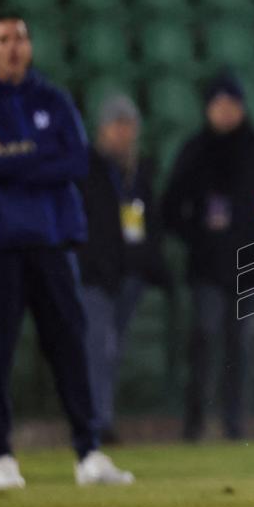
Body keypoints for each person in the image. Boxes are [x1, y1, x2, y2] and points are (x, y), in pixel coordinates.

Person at [0, 14, 133, 488]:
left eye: (21, 37)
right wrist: (39, 154)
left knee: (70, 347)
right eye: (3, 39)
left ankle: (89, 453)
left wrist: (9, 155)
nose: (14, 46)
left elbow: (75, 159)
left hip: (52, 241)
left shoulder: (52, 98)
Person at [162, 72, 254, 442]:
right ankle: (194, 424)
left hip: (251, 268)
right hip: (206, 269)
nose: (226, 112)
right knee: (204, 342)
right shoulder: (195, 150)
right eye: (219, 104)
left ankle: (234, 425)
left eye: (232, 104)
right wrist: (198, 238)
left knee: (240, 349)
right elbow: (168, 207)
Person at [78, 94, 169, 443]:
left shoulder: (136, 170)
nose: (124, 132)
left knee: (110, 349)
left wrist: (147, 265)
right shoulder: (87, 169)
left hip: (128, 277)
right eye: (117, 125)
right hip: (95, 274)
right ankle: (97, 422)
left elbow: (148, 221)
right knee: (100, 347)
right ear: (103, 129)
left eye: (129, 125)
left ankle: (100, 416)